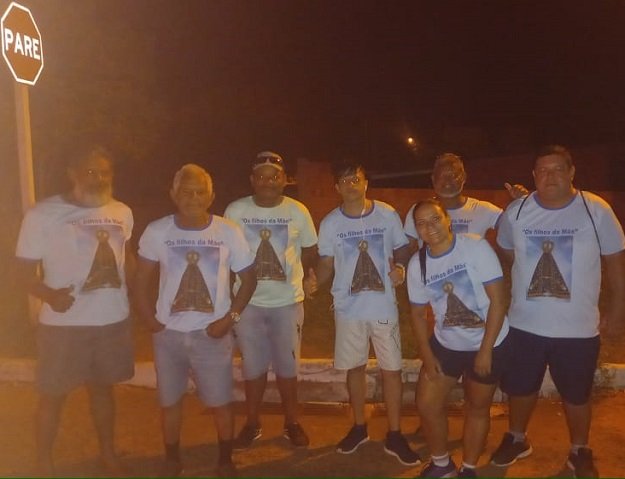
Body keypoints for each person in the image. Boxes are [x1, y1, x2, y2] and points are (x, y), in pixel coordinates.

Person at [490, 145, 625, 478]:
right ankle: (516, 438)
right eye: (542, 170)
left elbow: (615, 265)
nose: (549, 176)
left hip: (577, 329)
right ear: (533, 175)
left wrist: (618, 310)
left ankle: (580, 449)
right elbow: (507, 250)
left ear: (572, 172)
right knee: (521, 387)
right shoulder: (517, 211)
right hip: (525, 325)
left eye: (557, 169)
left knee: (577, 393)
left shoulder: (595, 210)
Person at [15, 146, 135, 476]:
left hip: (111, 321)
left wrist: (136, 298)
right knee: (52, 395)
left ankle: (108, 456)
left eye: (105, 172)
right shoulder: (43, 214)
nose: (99, 178)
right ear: (72, 174)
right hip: (63, 326)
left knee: (103, 391)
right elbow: (21, 272)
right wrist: (49, 296)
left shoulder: (122, 211)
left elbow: (126, 259)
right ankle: (44, 463)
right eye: (90, 172)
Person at [134, 164, 257, 477]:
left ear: (211, 197)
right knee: (170, 402)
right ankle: (172, 458)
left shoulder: (228, 232)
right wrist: (150, 320)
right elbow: (140, 280)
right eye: (186, 192)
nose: (193, 198)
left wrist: (229, 320)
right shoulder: (157, 231)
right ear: (174, 195)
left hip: (212, 334)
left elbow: (249, 279)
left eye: (200, 192)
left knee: (221, 402)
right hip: (168, 335)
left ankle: (225, 460)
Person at [309, 160, 420, 466]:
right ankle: (359, 427)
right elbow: (327, 262)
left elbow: (401, 248)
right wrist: (315, 281)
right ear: (337, 187)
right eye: (344, 181)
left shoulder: (386, 214)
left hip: (383, 307)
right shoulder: (330, 223)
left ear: (366, 182)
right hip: (348, 308)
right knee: (354, 368)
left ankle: (395, 433)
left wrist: (400, 268)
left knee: (392, 370)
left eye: (355, 179)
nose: (351, 185)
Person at [407, 199, 510, 478]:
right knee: (427, 403)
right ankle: (442, 464)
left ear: (448, 220)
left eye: (435, 219)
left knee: (477, 406)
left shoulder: (475, 248)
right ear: (416, 230)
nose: (430, 227)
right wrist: (427, 355)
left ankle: (469, 467)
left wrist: (485, 351)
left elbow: (498, 301)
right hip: (447, 344)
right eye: (421, 223)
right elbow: (417, 314)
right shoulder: (418, 264)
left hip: (488, 341)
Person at [224, 151, 318, 449]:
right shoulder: (235, 211)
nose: (268, 182)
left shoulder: (298, 211)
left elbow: (310, 249)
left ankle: (292, 422)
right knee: (253, 367)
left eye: (274, 176)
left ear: (285, 180)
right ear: (252, 180)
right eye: (261, 176)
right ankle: (252, 423)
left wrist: (307, 275)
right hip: (248, 304)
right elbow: (225, 254)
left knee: (288, 368)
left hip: (287, 303)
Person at [403, 153, 503, 250]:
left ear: (463, 177)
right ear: (433, 179)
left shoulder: (483, 210)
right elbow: (406, 250)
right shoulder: (419, 211)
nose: (447, 180)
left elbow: (510, 224)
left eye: (454, 175)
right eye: (442, 176)